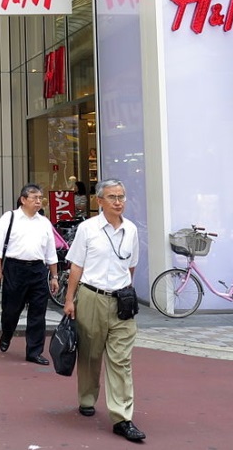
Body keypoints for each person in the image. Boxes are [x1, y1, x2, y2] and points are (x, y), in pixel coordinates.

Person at [63, 179, 145, 442]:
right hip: (91, 296)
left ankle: (122, 417)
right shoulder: (87, 229)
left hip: (122, 300)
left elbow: (131, 266)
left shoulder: (131, 230)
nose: (119, 201)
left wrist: (127, 292)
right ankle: (87, 398)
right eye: (112, 197)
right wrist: (69, 300)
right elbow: (76, 266)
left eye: (122, 196)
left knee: (121, 360)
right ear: (100, 201)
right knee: (90, 352)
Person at [0, 184, 59, 365]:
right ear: (23, 199)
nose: (38, 201)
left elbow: (51, 252)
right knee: (11, 310)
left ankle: (34, 351)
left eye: (40, 198)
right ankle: (7, 333)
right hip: (15, 269)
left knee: (38, 312)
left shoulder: (44, 222)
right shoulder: (10, 218)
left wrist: (54, 276)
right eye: (34, 198)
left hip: (38, 270)